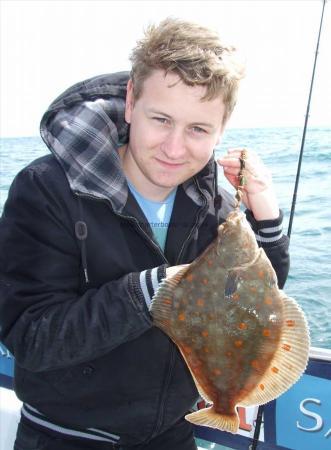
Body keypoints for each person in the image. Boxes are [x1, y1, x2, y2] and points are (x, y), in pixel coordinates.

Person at [0, 17, 289, 450]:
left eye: (198, 129)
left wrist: (263, 207)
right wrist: (149, 291)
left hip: (172, 434)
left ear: (222, 128)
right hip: (66, 437)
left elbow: (263, 293)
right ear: (131, 101)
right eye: (161, 119)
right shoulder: (48, 190)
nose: (174, 148)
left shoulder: (215, 206)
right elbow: (30, 337)